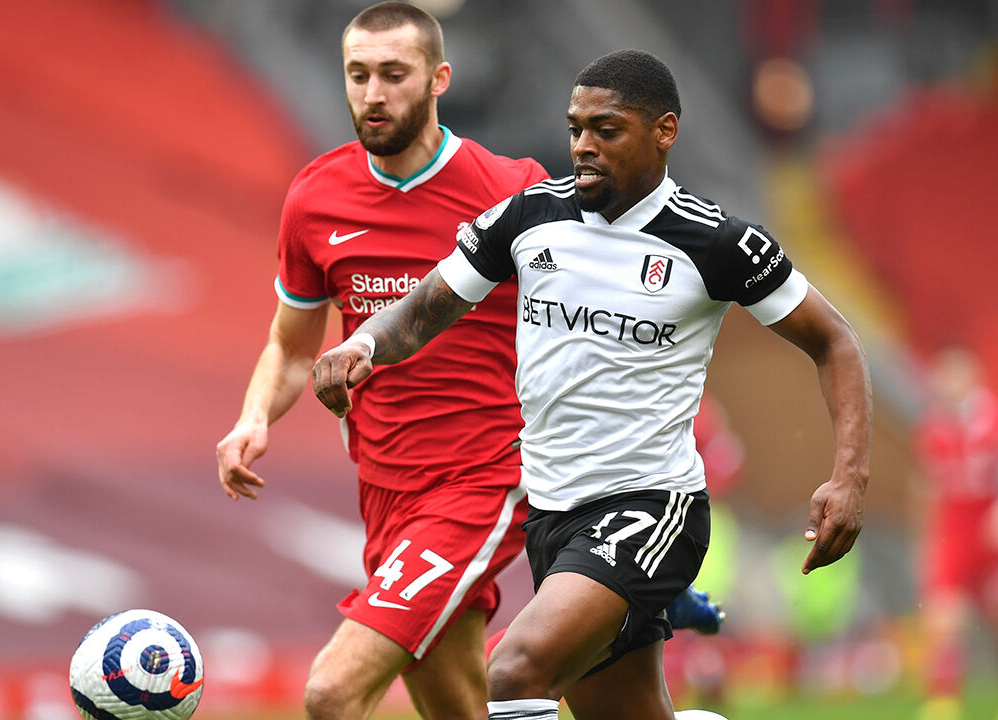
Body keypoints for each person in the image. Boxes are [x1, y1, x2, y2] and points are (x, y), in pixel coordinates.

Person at [312, 49, 871, 720]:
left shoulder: (715, 243)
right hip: (553, 516)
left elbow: (834, 339)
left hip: (650, 507)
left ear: (663, 132)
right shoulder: (528, 219)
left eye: (606, 130)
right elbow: (427, 308)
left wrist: (849, 477)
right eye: (575, 128)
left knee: (515, 671)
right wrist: (361, 346)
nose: (583, 146)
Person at [214, 5, 718, 719]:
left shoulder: (512, 190)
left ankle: (627, 599)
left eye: (394, 74)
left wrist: (635, 534)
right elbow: (291, 346)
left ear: (438, 78)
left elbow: (600, 324)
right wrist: (253, 419)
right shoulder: (315, 199)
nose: (373, 93)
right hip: (386, 489)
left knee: (331, 693)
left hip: (487, 474)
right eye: (359, 75)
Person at [914, 347, 998, 720]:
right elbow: (929, 486)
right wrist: (926, 539)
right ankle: (943, 703)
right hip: (953, 530)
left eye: (952, 376)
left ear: (971, 378)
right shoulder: (933, 427)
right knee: (943, 617)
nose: (945, 385)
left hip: (991, 530)